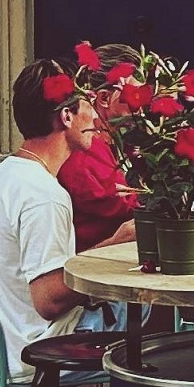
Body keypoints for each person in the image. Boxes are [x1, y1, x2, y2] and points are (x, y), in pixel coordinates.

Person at [0, 60, 107, 386]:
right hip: (45, 348)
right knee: (159, 324)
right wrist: (110, 248)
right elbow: (49, 301)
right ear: (67, 115)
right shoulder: (44, 195)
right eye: (89, 106)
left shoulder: (0, 177)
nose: (97, 118)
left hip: (14, 342)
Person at [56, 41, 142, 250]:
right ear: (103, 98)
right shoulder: (85, 151)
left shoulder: (116, 140)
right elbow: (126, 207)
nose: (143, 105)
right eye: (135, 96)